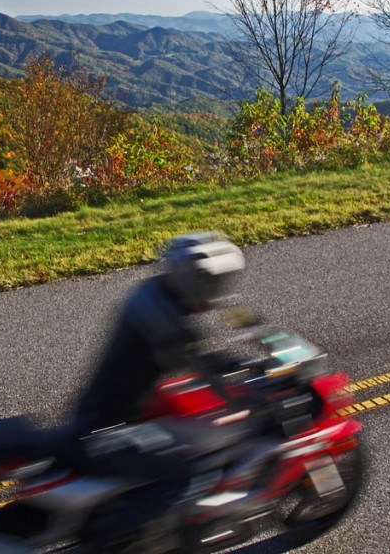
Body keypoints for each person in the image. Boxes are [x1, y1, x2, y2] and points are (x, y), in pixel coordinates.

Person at [71, 231, 247, 550]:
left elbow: (196, 352)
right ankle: (112, 542)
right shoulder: (169, 325)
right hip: (110, 426)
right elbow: (197, 362)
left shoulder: (153, 293)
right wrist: (240, 402)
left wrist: (237, 356)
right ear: (199, 282)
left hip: (111, 408)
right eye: (219, 285)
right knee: (192, 475)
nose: (220, 293)